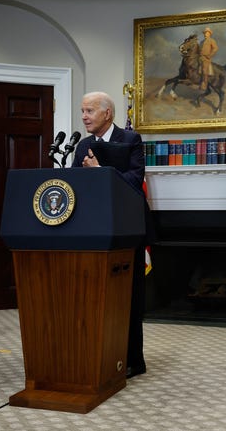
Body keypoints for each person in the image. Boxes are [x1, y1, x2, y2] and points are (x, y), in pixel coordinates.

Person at [72, 91, 149, 378]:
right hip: (94, 230)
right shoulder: (82, 146)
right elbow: (75, 185)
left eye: (89, 111)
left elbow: (133, 181)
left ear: (107, 113)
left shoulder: (131, 140)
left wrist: (101, 171)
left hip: (128, 229)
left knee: (129, 298)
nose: (84, 116)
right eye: (82, 111)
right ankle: (100, 356)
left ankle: (133, 361)